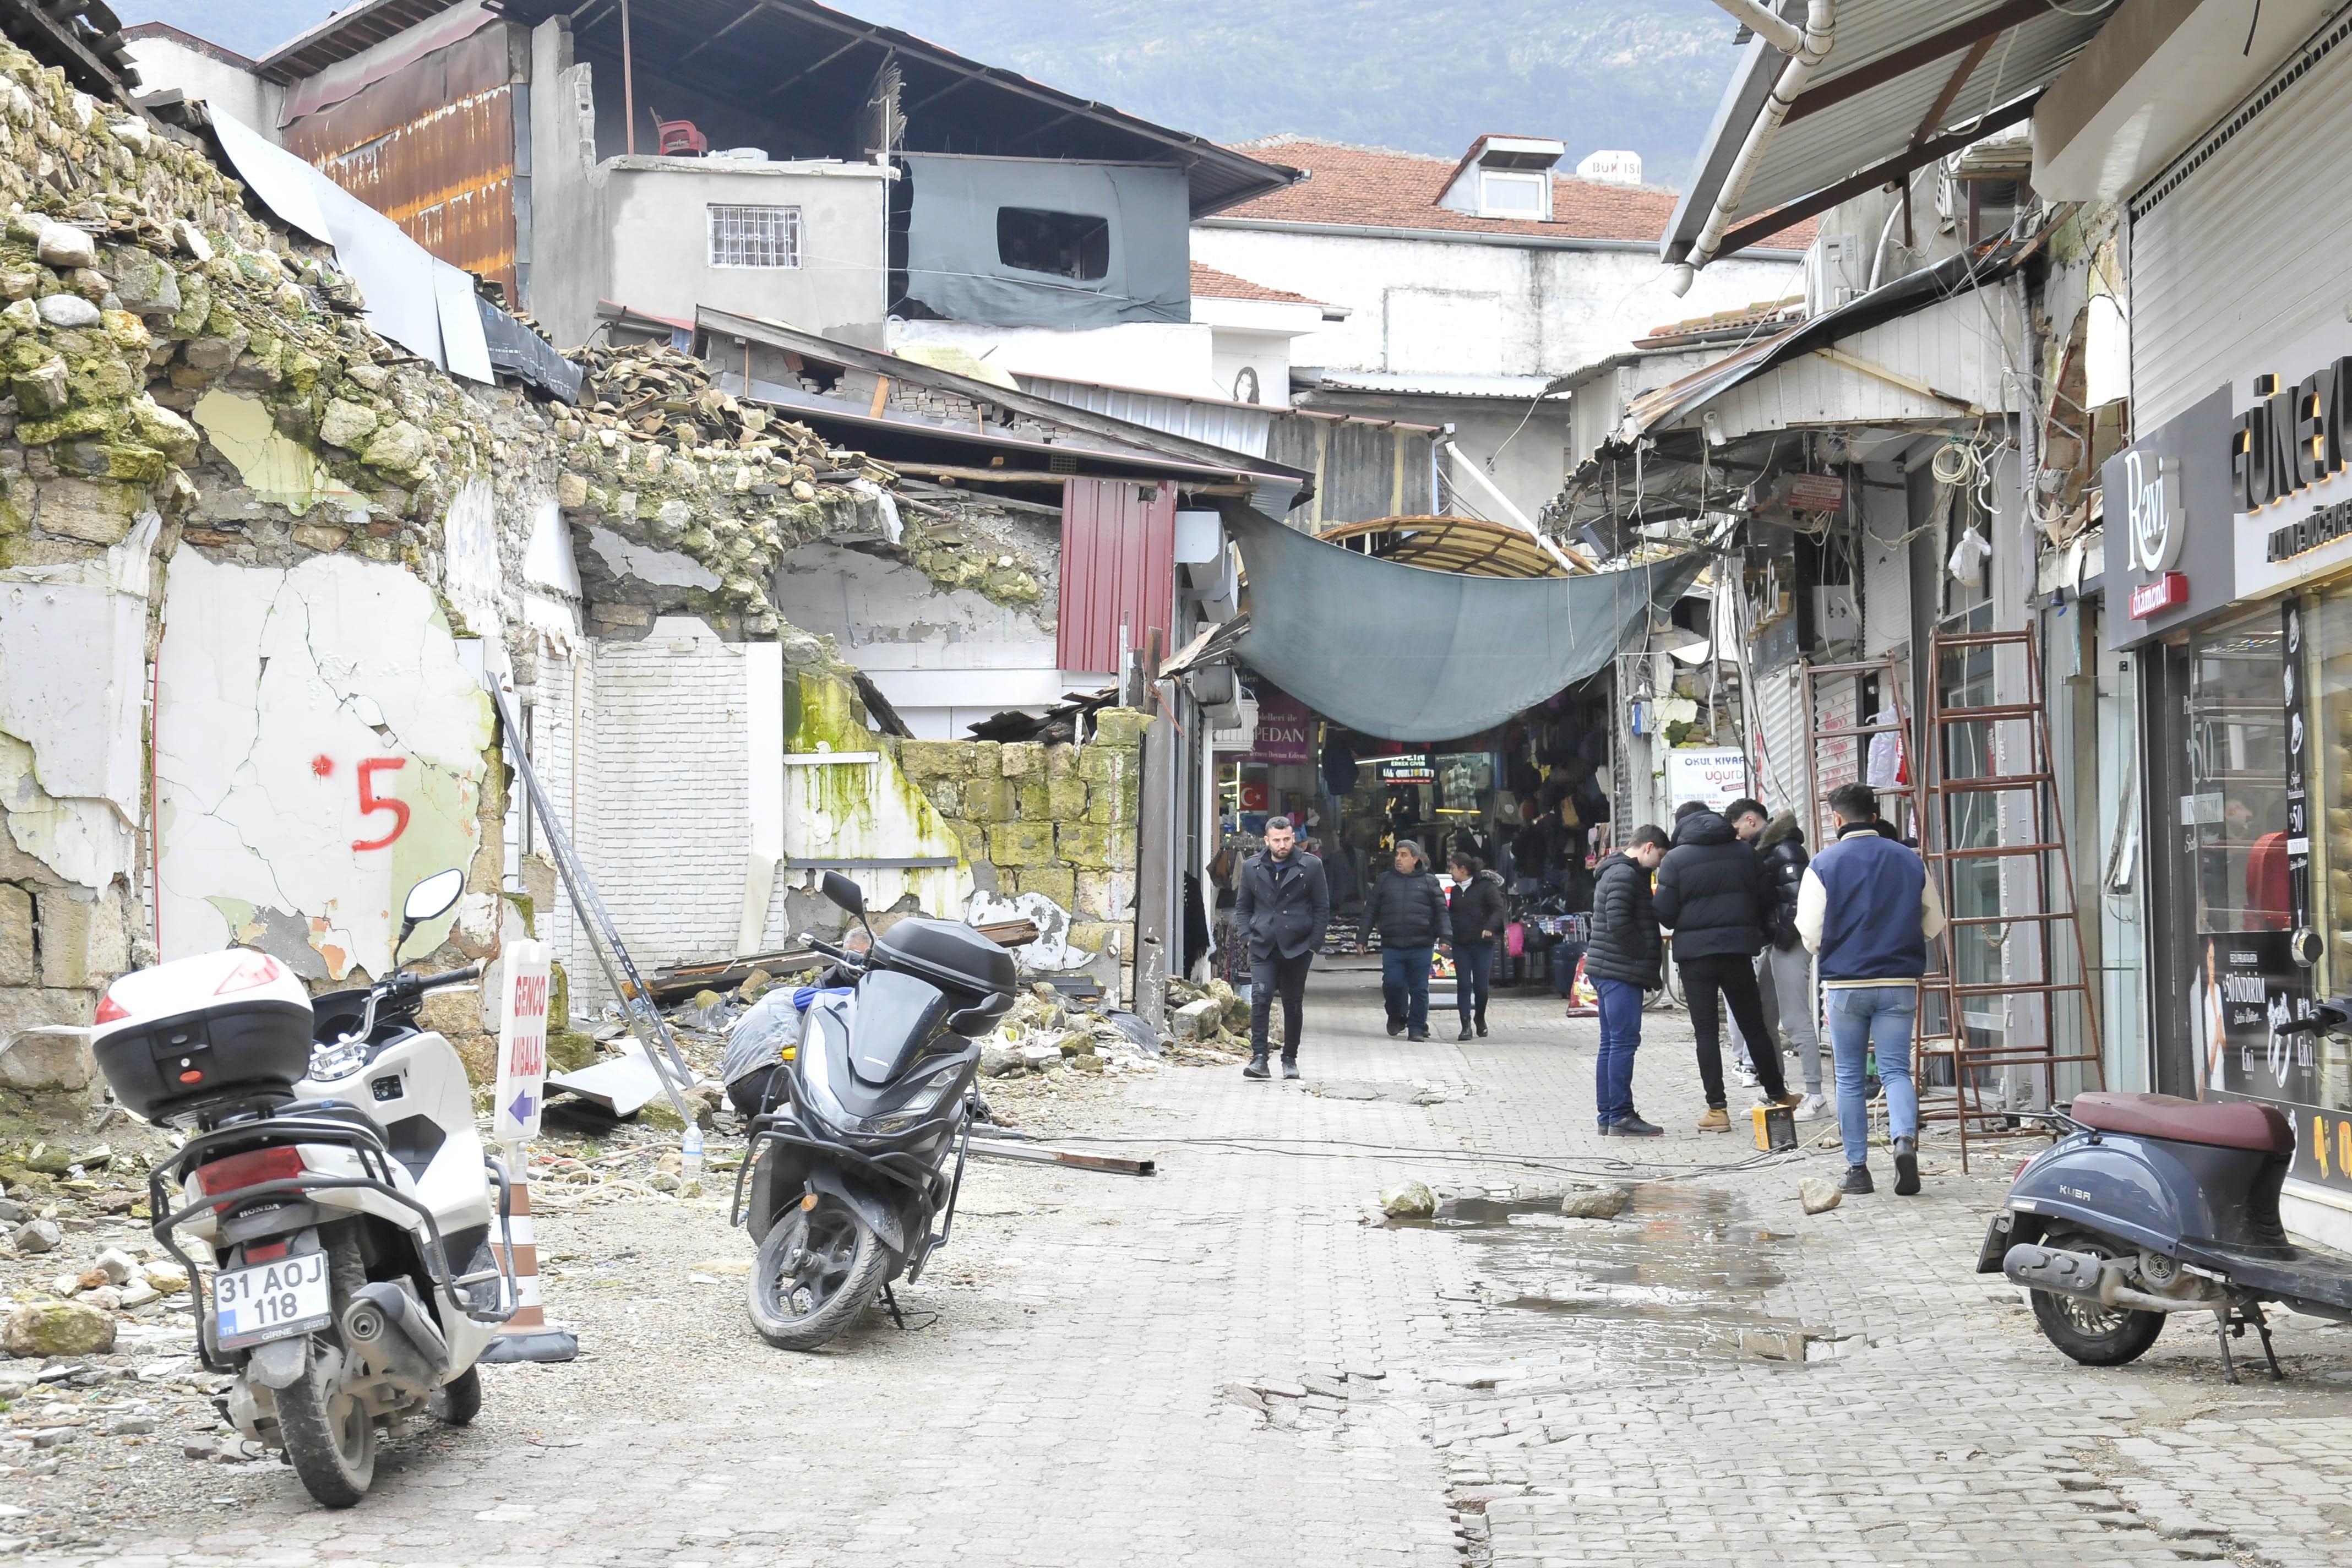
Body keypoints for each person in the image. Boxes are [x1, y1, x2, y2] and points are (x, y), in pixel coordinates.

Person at [1798, 782, 1947, 1195]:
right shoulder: (1910, 861)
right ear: (1876, 816)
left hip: (1845, 984)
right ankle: (1903, 1141)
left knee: (1847, 1077)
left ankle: (1858, 1170)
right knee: (1896, 1071)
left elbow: (1810, 934)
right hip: (1898, 981)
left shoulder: (1823, 864)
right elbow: (1934, 924)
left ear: (1837, 819)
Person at [1654, 800, 1799, 1130]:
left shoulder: (1675, 859)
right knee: (1754, 1026)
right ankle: (1778, 1095)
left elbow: (1664, 912)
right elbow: (1765, 900)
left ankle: (1717, 1110)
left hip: (1695, 958)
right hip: (1737, 952)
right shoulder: (1745, 853)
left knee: (1706, 1032)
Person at [1725, 799, 1827, 1121]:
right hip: (1776, 942)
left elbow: (1799, 900)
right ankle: (1777, 1093)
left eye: (1737, 828)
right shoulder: (1769, 849)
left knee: (1795, 1019)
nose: (1737, 836)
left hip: (1788, 942)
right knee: (1764, 1018)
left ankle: (1815, 1095)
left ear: (1752, 821)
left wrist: (1781, 938)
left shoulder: (1785, 849)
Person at [1584, 826, 1670, 1136]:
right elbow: (1619, 921)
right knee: (1622, 1043)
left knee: (1611, 1043)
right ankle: (1619, 1114)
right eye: (1659, 857)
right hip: (1620, 972)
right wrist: (1643, 953)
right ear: (1648, 848)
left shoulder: (1615, 871)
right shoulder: (1625, 874)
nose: (1658, 865)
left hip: (1609, 969)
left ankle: (1608, 1115)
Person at [1231, 814, 1330, 1081]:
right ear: (1267, 840)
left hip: (1298, 946)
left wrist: (1314, 944)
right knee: (1260, 998)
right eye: (1277, 840)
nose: (1283, 845)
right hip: (1263, 944)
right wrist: (1247, 936)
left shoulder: (1311, 866)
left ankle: (1290, 1058)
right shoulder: (1252, 867)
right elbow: (1243, 906)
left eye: (1287, 839)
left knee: (1293, 1004)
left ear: (1293, 838)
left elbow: (1322, 906)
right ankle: (1259, 1058)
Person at [1365, 839, 1449, 1040]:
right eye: (1397, 854)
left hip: (1421, 945)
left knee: (1419, 988)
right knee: (1392, 984)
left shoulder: (1429, 882)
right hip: (1393, 945)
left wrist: (1446, 936)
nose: (1398, 859)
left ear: (1415, 859)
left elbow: (1442, 912)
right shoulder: (1385, 880)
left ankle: (1417, 1028)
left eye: (1404, 855)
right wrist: (1362, 937)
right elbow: (1371, 910)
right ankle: (1396, 1016)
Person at [1445, 852, 1507, 1040]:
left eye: (1453, 868)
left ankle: (1480, 1017)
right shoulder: (1455, 891)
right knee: (1464, 985)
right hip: (1461, 944)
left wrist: (1490, 927)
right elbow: (1451, 915)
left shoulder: (1486, 888)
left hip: (1482, 944)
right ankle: (1465, 1025)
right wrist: (1446, 937)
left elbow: (1498, 909)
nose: (1450, 872)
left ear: (1463, 870)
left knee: (1481, 987)